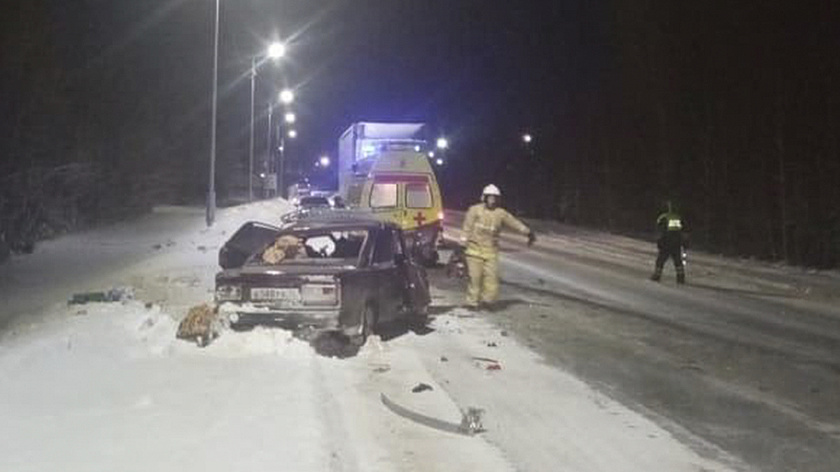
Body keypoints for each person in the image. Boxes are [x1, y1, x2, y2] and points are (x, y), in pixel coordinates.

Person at [462, 184, 536, 309]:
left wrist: (528, 232)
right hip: (474, 251)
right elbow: (467, 228)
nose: (492, 200)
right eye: (490, 197)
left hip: (491, 251)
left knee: (492, 280)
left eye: (495, 198)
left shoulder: (500, 213)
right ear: (484, 197)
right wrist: (462, 243)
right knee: (475, 278)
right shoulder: (474, 210)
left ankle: (488, 301)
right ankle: (472, 302)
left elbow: (514, 223)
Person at [650, 201, 688, 284]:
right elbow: (684, 231)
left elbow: (660, 231)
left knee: (661, 260)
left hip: (666, 241)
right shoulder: (679, 217)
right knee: (678, 260)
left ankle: (657, 275)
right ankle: (680, 278)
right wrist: (684, 242)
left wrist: (659, 241)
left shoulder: (664, 217)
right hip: (677, 242)